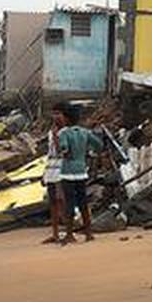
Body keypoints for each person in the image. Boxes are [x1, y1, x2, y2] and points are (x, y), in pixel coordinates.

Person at [56, 102, 104, 244]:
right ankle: (89, 233)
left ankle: (70, 234)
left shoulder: (63, 133)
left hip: (67, 172)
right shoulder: (85, 132)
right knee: (83, 202)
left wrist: (64, 151)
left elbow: (64, 148)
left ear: (67, 119)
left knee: (70, 203)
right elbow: (99, 145)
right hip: (82, 171)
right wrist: (89, 152)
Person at [40, 105, 66, 244]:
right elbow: (49, 153)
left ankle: (67, 231)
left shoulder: (66, 132)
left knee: (62, 201)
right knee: (53, 202)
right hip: (50, 170)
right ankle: (55, 233)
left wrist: (56, 136)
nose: (56, 117)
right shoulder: (51, 132)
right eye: (54, 113)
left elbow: (61, 151)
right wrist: (44, 173)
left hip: (61, 170)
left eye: (59, 113)